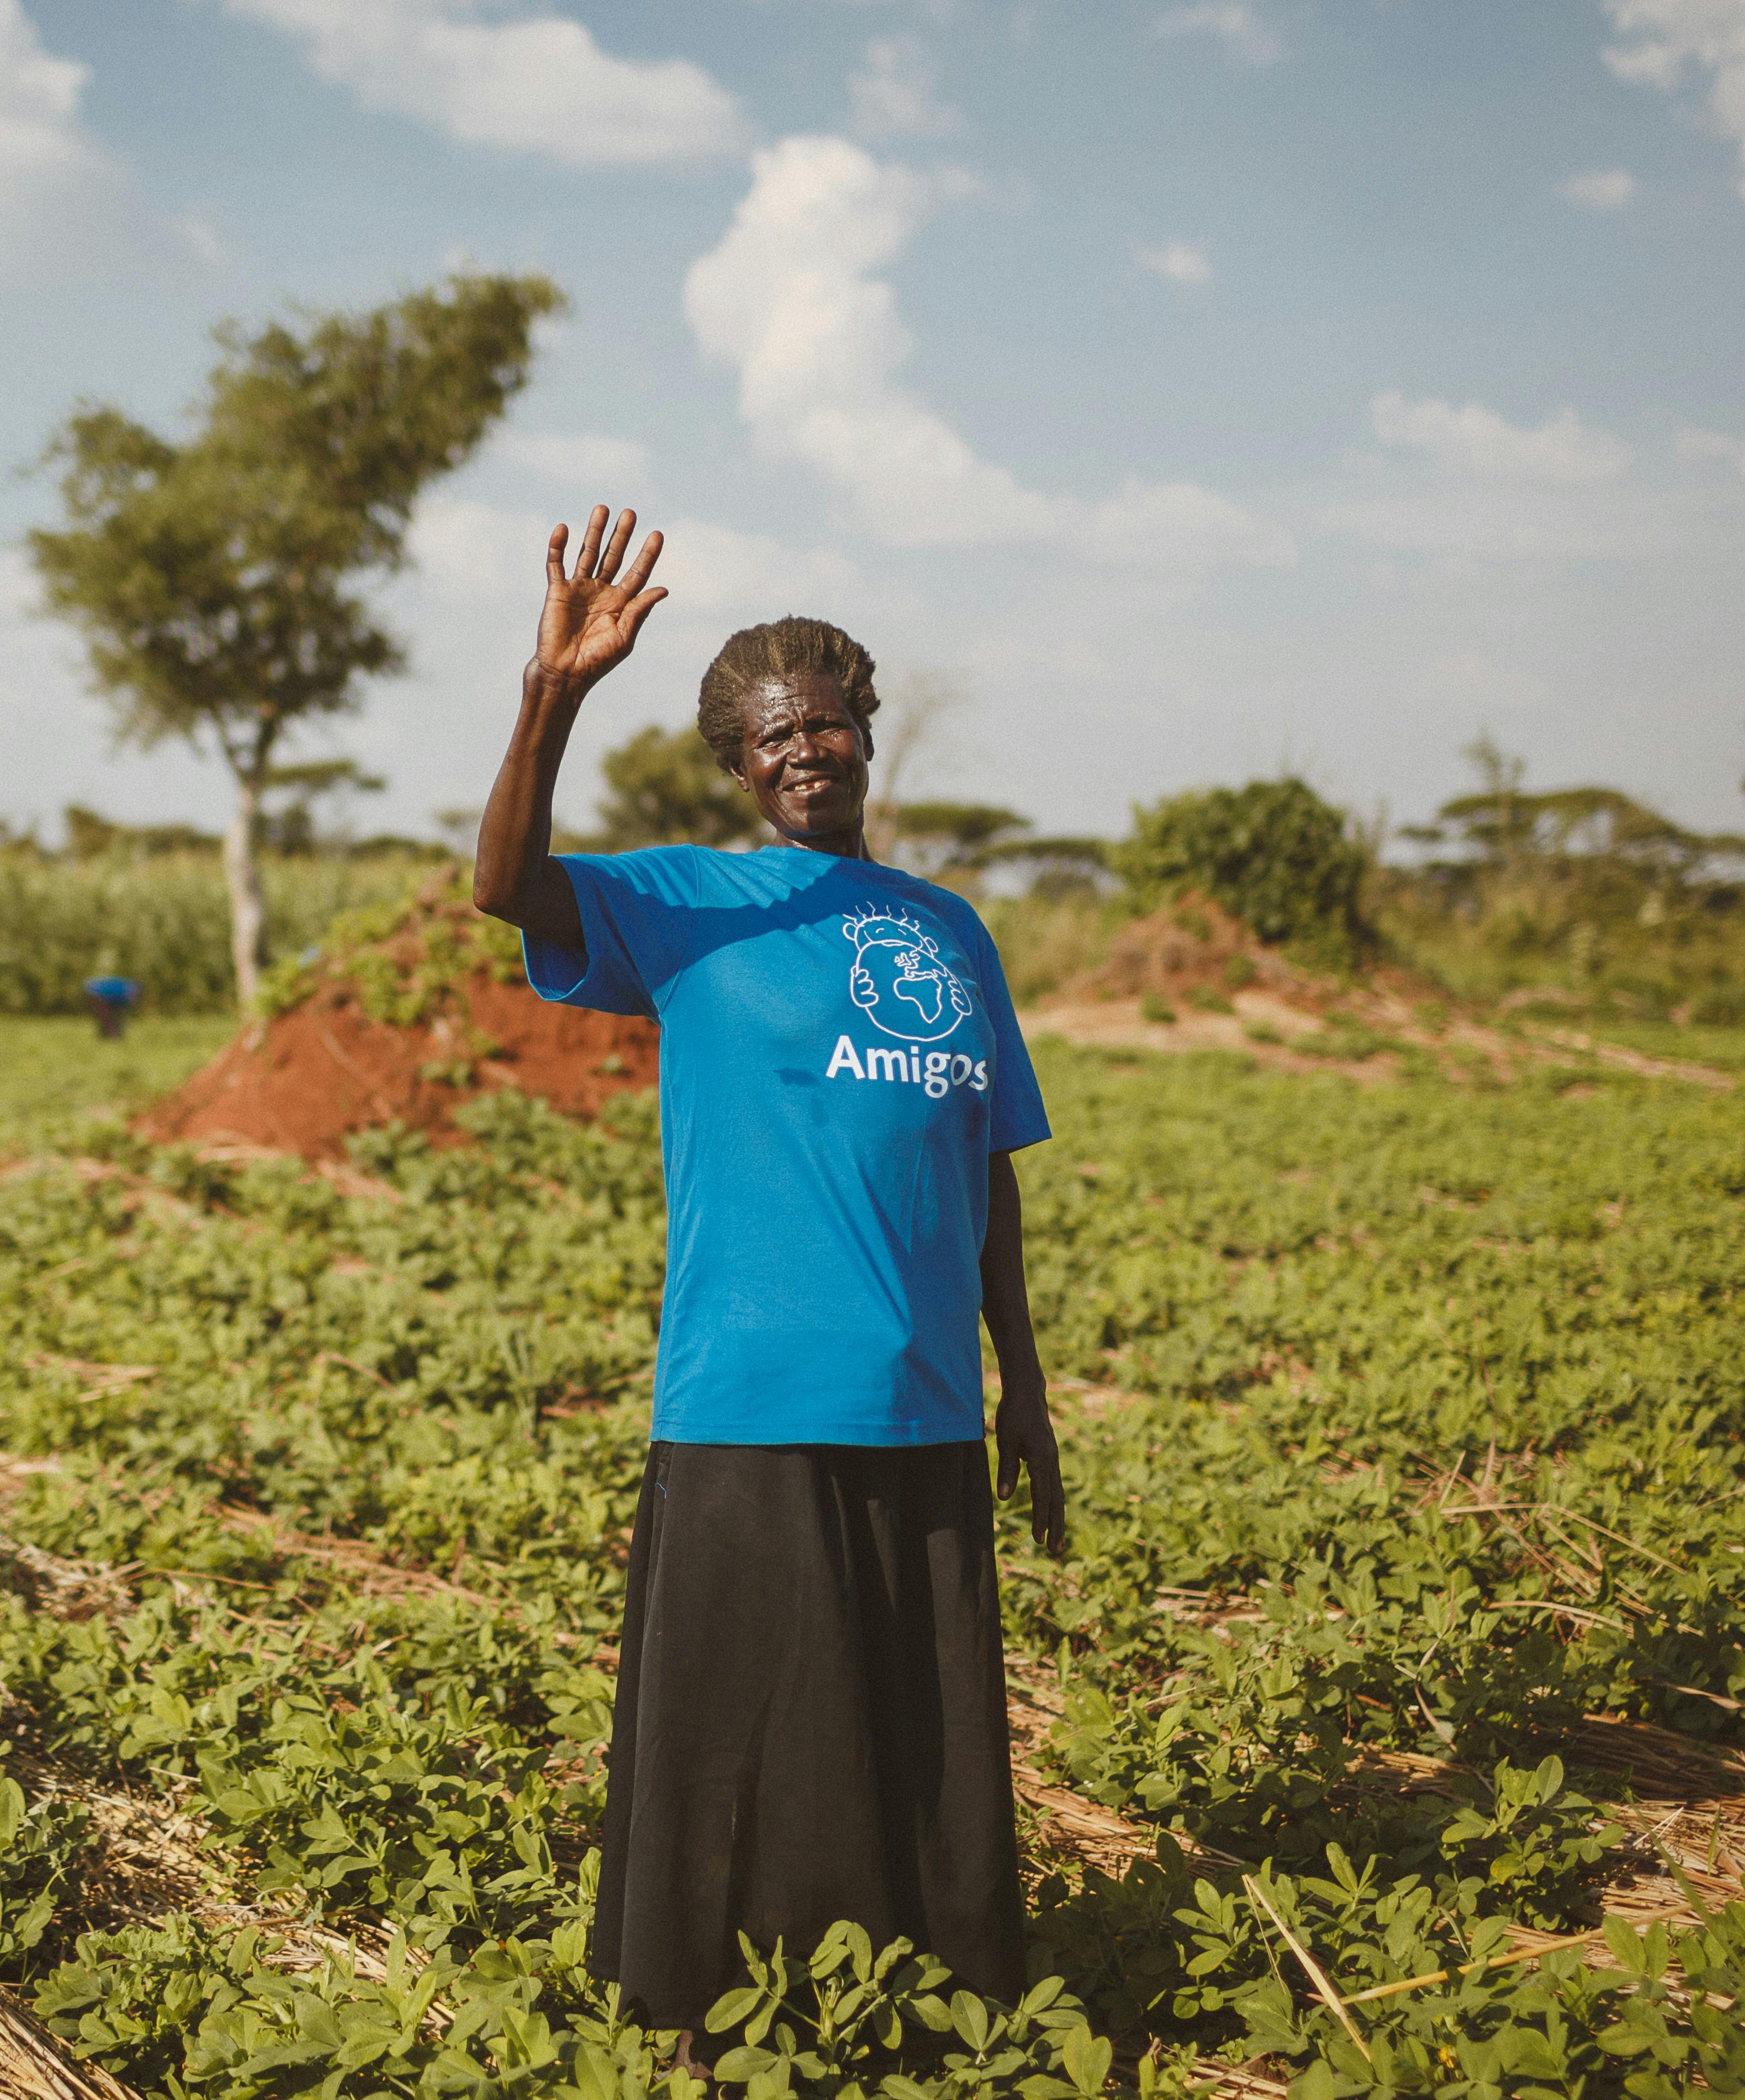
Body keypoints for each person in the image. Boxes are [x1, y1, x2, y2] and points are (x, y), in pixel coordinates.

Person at [472, 506, 1067, 2073]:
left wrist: (1031, 1392)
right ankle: (701, 2023)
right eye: (776, 732)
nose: (811, 745)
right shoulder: (682, 904)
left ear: (869, 737)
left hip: (925, 1397)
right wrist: (553, 692)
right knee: (738, 1743)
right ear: (740, 765)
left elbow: (987, 1166)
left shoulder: (950, 934)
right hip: (746, 1393)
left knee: (916, 1749)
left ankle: (921, 2017)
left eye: (831, 721)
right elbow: (503, 884)